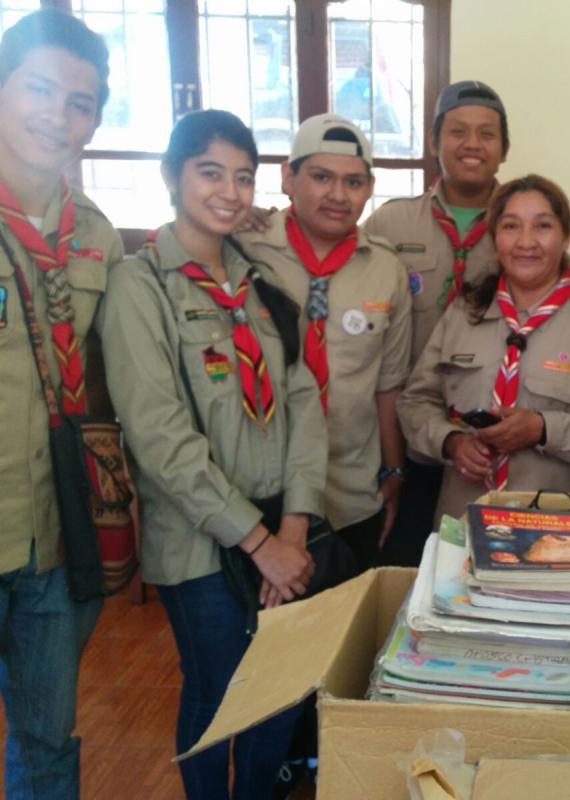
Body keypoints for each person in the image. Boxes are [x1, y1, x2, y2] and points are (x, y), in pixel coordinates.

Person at [99, 110, 327, 799]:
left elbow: (304, 403)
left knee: (278, 690)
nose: (229, 191)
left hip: (278, 530)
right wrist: (260, 543)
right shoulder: (140, 288)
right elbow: (159, 436)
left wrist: (293, 524)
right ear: (172, 176)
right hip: (199, 544)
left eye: (242, 177)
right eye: (210, 173)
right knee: (219, 689)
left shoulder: (262, 285)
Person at [365, 81, 570, 565]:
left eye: (486, 134)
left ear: (504, 149)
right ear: (434, 143)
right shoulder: (390, 224)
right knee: (411, 567)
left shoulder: (527, 232)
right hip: (417, 437)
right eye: (457, 131)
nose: (471, 144)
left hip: (524, 467)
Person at [0, 10, 120, 796]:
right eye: (40, 89)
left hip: (53, 532)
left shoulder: (98, 236)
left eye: (81, 101)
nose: (59, 114)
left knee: (48, 740)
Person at [397, 175, 570, 525]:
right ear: (496, 240)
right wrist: (451, 442)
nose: (526, 242)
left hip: (558, 531)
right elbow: (415, 402)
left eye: (542, 226)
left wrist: (543, 429)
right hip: (463, 522)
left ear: (565, 236)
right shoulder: (463, 315)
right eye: (511, 226)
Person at [238, 113, 411, 573]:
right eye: (320, 177)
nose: (338, 195)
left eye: (353, 182)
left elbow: (388, 383)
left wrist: (393, 471)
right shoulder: (242, 250)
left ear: (370, 188)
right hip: (260, 492)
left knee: (345, 630)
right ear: (288, 177)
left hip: (352, 491)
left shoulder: (386, 268)